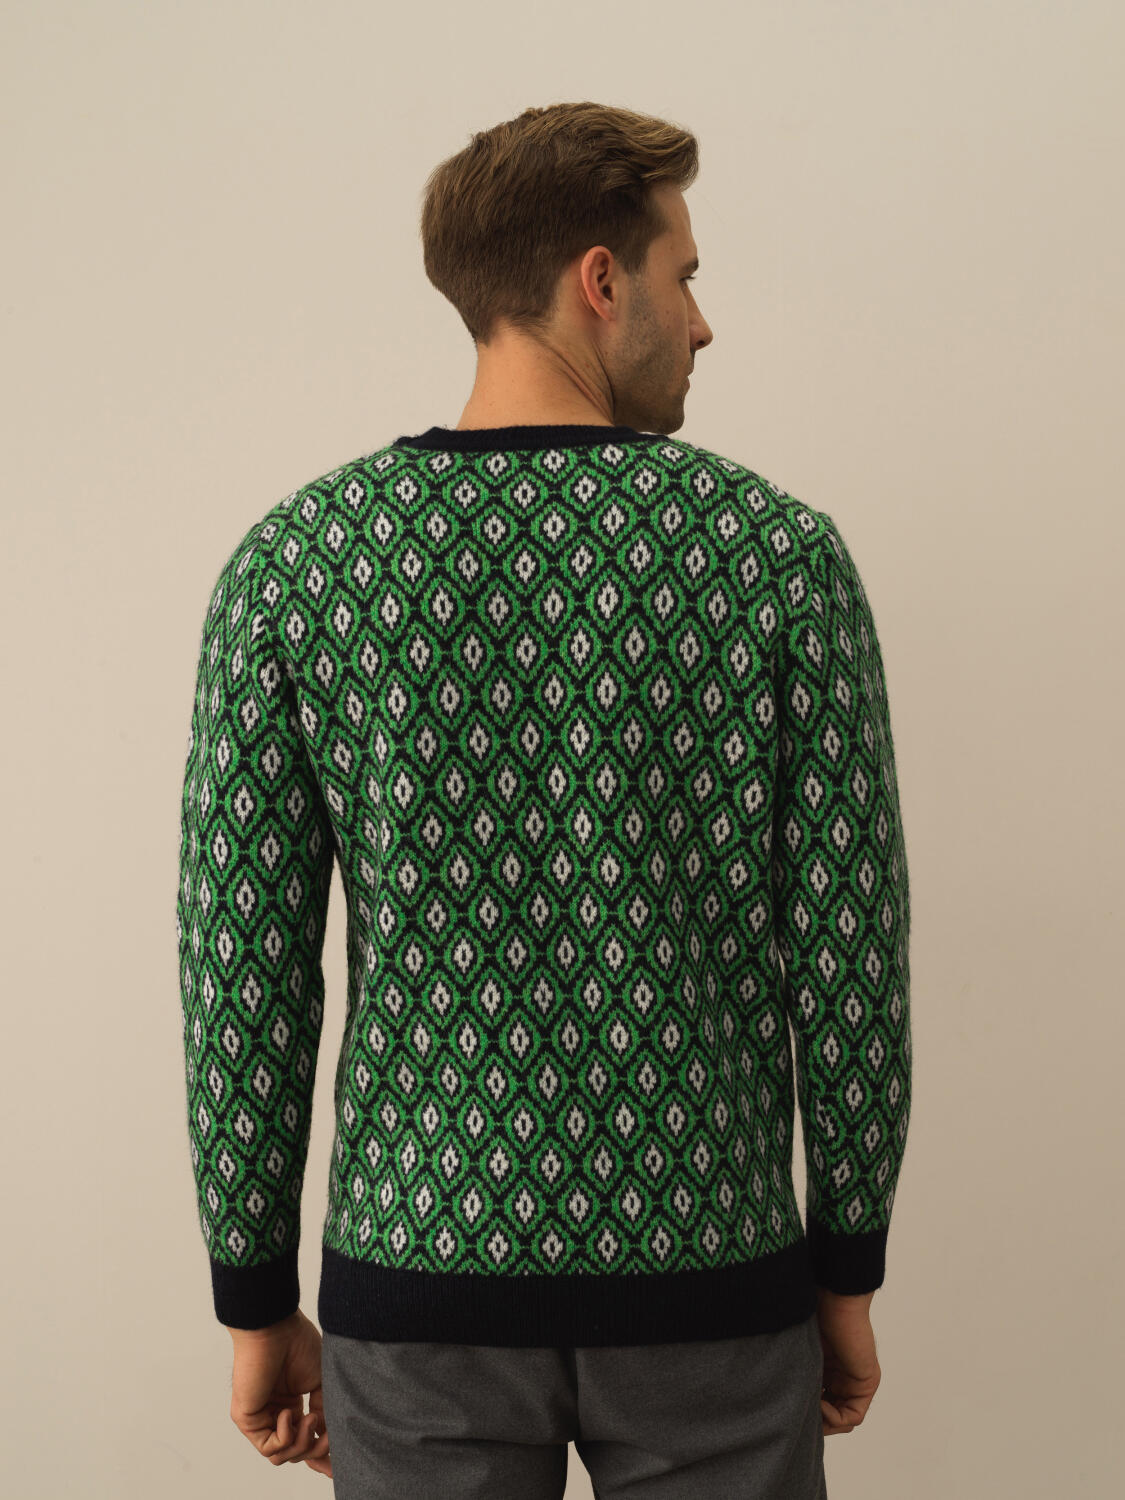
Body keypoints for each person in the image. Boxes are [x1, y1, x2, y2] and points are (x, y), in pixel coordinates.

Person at [176, 100, 912, 1497]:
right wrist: (846, 1271)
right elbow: (849, 954)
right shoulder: (774, 558)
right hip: (714, 1287)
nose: (702, 323)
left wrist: (253, 1299)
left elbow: (243, 972)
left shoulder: (298, 568)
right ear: (600, 280)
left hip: (418, 1287)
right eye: (685, 275)